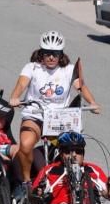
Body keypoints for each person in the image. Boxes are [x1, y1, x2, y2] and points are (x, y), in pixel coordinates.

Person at [9, 30, 100, 194]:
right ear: (41, 53)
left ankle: (76, 184)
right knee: (26, 144)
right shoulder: (32, 68)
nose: (51, 57)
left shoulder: (69, 69)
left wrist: (92, 103)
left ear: (61, 54)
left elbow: (81, 87)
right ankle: (26, 183)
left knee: (74, 148)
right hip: (36, 114)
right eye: (47, 53)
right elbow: (22, 85)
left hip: (60, 118)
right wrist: (15, 97)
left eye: (55, 54)